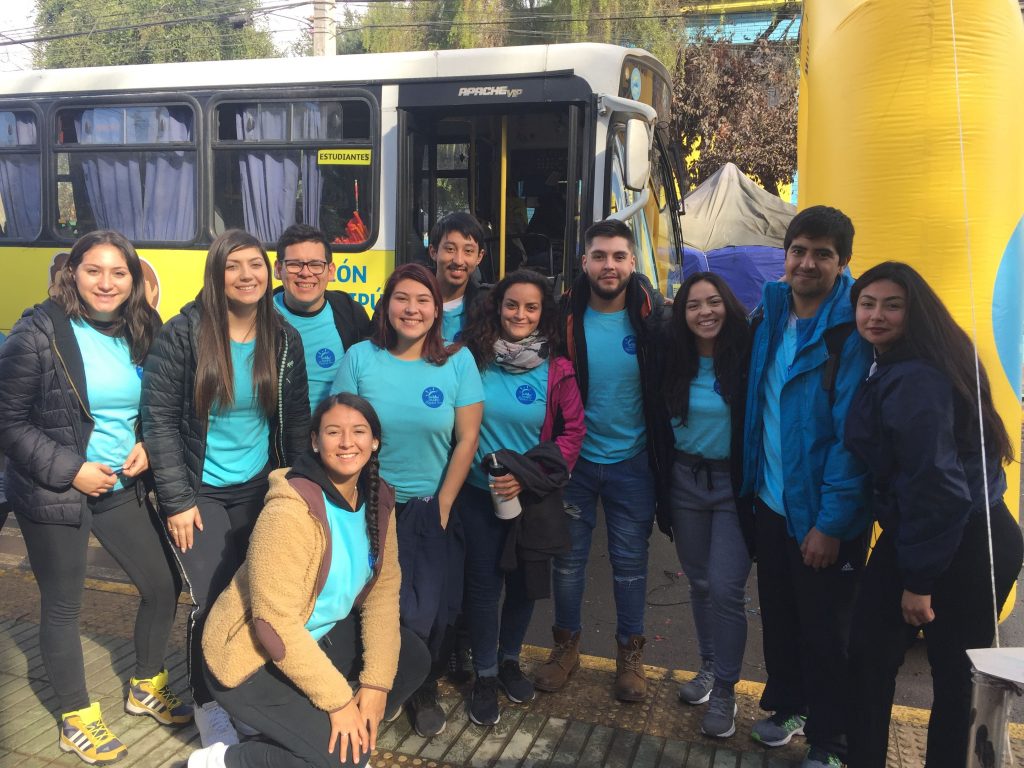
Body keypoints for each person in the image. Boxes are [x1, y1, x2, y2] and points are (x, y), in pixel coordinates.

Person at [0, 231, 189, 765]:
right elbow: (8, 423)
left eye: (118, 273)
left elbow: (158, 402)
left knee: (161, 584)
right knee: (63, 605)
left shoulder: (142, 329)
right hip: (53, 490)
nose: (106, 283)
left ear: (134, 280)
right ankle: (75, 717)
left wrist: (149, 442)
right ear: (72, 273)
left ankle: (145, 685)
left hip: (120, 486)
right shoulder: (38, 331)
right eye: (93, 271)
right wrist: (72, 469)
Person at [185, 394, 432, 768]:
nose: (347, 442)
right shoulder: (289, 510)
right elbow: (273, 624)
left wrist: (375, 686)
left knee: (411, 658)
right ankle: (221, 760)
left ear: (375, 441)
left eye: (359, 431)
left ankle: (312, 736)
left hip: (312, 637)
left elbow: (382, 596)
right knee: (344, 760)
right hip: (249, 657)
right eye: (334, 432)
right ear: (315, 441)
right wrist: (338, 701)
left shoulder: (378, 497)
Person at [843, 262, 1023, 768]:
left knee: (893, 664)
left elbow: (938, 489)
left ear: (914, 310)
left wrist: (919, 582)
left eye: (891, 305)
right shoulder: (925, 357)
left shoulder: (914, 378)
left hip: (954, 539)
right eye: (867, 303)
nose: (875, 316)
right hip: (970, 532)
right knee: (949, 677)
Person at [141, 229, 310, 747]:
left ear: (269, 271)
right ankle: (207, 703)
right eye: (234, 266)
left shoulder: (282, 337)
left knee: (261, 595)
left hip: (259, 488)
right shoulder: (184, 334)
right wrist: (177, 500)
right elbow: (160, 421)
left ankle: (247, 693)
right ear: (217, 275)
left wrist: (299, 489)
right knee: (212, 599)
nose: (247, 275)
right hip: (200, 492)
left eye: (256, 265)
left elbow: (296, 422)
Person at [740, 205, 873, 768]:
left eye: (822, 253)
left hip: (824, 516)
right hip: (770, 502)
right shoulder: (769, 314)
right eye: (799, 250)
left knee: (827, 632)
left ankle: (831, 739)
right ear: (785, 254)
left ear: (842, 263)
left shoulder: (852, 334)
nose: (808, 262)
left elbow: (851, 440)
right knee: (781, 616)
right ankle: (789, 706)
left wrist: (831, 524)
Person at [332, 262, 483, 737]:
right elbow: (342, 431)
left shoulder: (457, 362)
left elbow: (467, 438)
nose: (412, 309)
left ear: (437, 310)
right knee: (374, 602)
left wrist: (442, 503)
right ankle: (377, 681)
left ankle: (420, 684)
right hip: (370, 503)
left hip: (426, 505)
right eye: (402, 298)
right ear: (387, 305)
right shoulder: (360, 358)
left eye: (423, 300)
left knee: (429, 609)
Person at [534, 219, 671, 702]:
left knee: (631, 566)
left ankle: (630, 658)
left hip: (633, 464)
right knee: (568, 564)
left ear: (633, 263)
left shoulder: (655, 320)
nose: (608, 265)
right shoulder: (562, 319)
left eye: (618, 256)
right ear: (585, 262)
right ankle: (565, 649)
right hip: (575, 463)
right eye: (599, 256)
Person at [458, 269, 585, 726]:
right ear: (497, 306)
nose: (520, 314)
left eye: (531, 307)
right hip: (476, 495)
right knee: (483, 587)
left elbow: (572, 434)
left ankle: (510, 660)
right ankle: (485, 674)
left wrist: (528, 479)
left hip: (530, 500)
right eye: (512, 304)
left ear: (543, 313)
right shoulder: (471, 359)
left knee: (524, 588)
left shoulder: (559, 369)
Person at [664, 273, 752, 739]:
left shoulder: (745, 358)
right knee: (699, 583)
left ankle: (725, 688)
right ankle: (708, 667)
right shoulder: (672, 359)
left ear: (728, 305)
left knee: (725, 588)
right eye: (694, 305)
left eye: (714, 302)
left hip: (732, 487)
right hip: (685, 480)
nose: (705, 313)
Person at [273, 224, 371, 412]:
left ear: (331, 271)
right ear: (278, 269)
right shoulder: (259, 315)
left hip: (332, 436)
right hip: (278, 437)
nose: (305, 273)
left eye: (316, 265)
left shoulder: (350, 313)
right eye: (294, 264)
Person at [428, 212, 487, 343]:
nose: (459, 260)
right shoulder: (406, 300)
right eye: (450, 249)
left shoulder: (487, 308)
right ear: (433, 252)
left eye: (468, 251)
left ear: (479, 257)